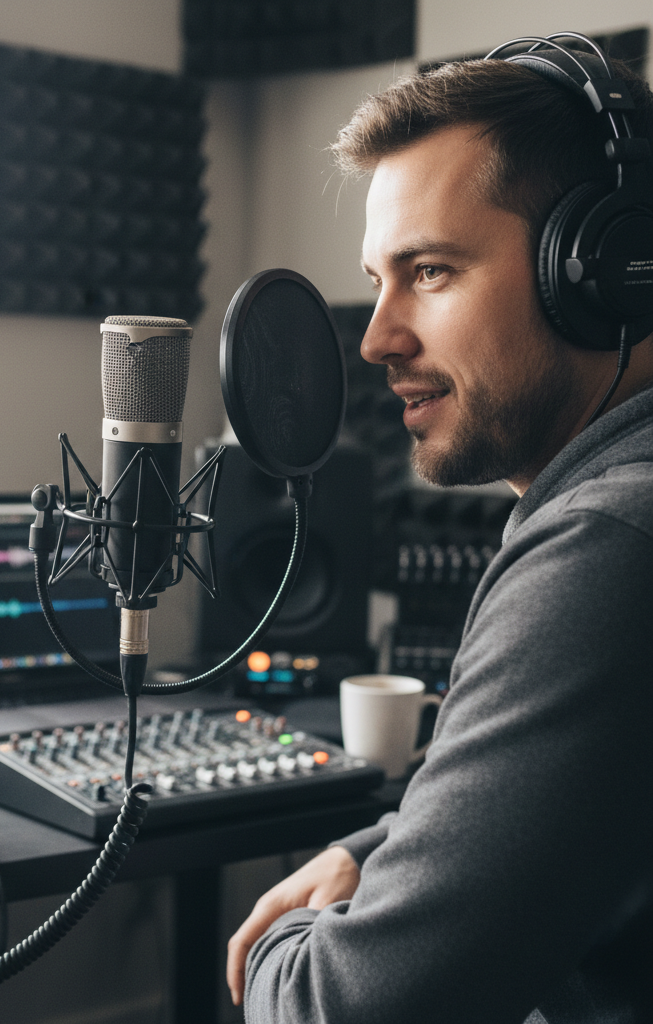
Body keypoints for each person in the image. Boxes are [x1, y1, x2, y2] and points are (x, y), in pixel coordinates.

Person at [227, 37, 653, 1024]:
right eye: (377, 278)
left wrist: (287, 946)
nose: (377, 337)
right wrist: (368, 851)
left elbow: (342, 1008)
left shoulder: (606, 547)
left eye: (429, 271)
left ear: (600, 270)